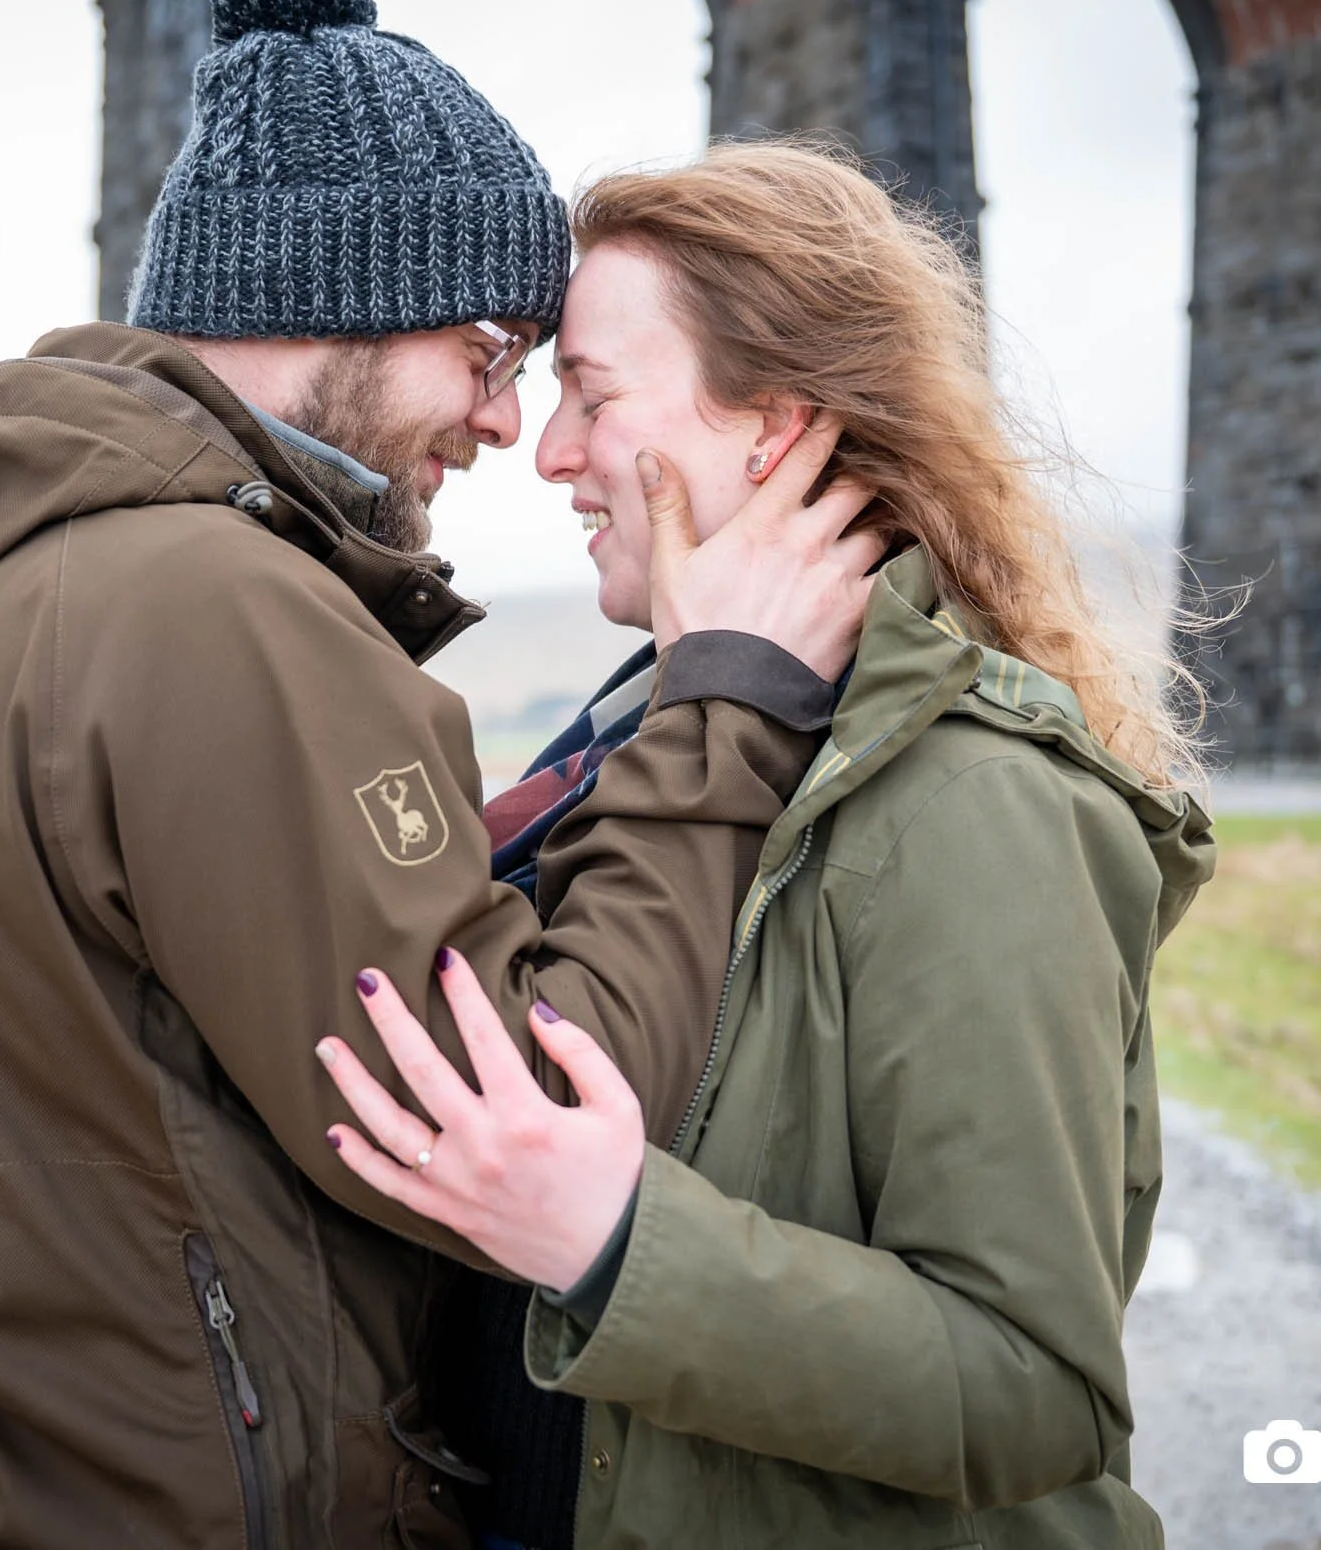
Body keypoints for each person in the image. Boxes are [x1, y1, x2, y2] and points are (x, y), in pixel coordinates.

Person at [0, 0, 881, 1550]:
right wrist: (722, 703)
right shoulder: (218, 605)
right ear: (340, 297)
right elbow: (525, 1119)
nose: (506, 420)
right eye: (487, 353)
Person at [317, 142, 1220, 1549]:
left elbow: (1035, 1383)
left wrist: (617, 1241)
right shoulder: (641, 725)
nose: (549, 450)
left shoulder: (977, 800)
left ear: (777, 428)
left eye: (595, 394)